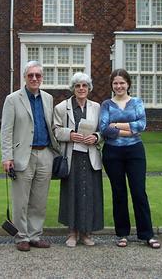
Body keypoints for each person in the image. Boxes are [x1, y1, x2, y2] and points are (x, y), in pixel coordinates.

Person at [0, 61, 59, 252]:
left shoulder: (48, 98)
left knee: (39, 201)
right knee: (21, 201)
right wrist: (7, 157)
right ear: (25, 77)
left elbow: (52, 126)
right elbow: (6, 131)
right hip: (22, 155)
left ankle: (35, 236)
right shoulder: (12, 99)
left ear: (42, 78)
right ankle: (21, 237)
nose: (34, 78)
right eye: (31, 75)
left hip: (45, 154)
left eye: (38, 75)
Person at [98, 68, 161, 249]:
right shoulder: (106, 105)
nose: (119, 86)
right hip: (112, 154)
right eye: (115, 83)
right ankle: (122, 234)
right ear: (112, 85)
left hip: (135, 152)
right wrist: (129, 130)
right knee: (119, 193)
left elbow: (141, 125)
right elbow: (104, 129)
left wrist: (116, 125)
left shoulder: (137, 102)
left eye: (122, 83)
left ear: (128, 84)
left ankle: (147, 234)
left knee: (139, 192)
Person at [52, 72, 104, 248]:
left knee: (90, 194)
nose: (81, 89)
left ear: (89, 88)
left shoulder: (97, 107)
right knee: (71, 194)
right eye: (77, 86)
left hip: (90, 156)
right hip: (71, 156)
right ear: (73, 88)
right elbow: (56, 131)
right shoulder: (61, 107)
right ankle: (72, 233)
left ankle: (86, 233)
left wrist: (96, 137)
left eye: (84, 86)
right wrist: (71, 135)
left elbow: (103, 130)